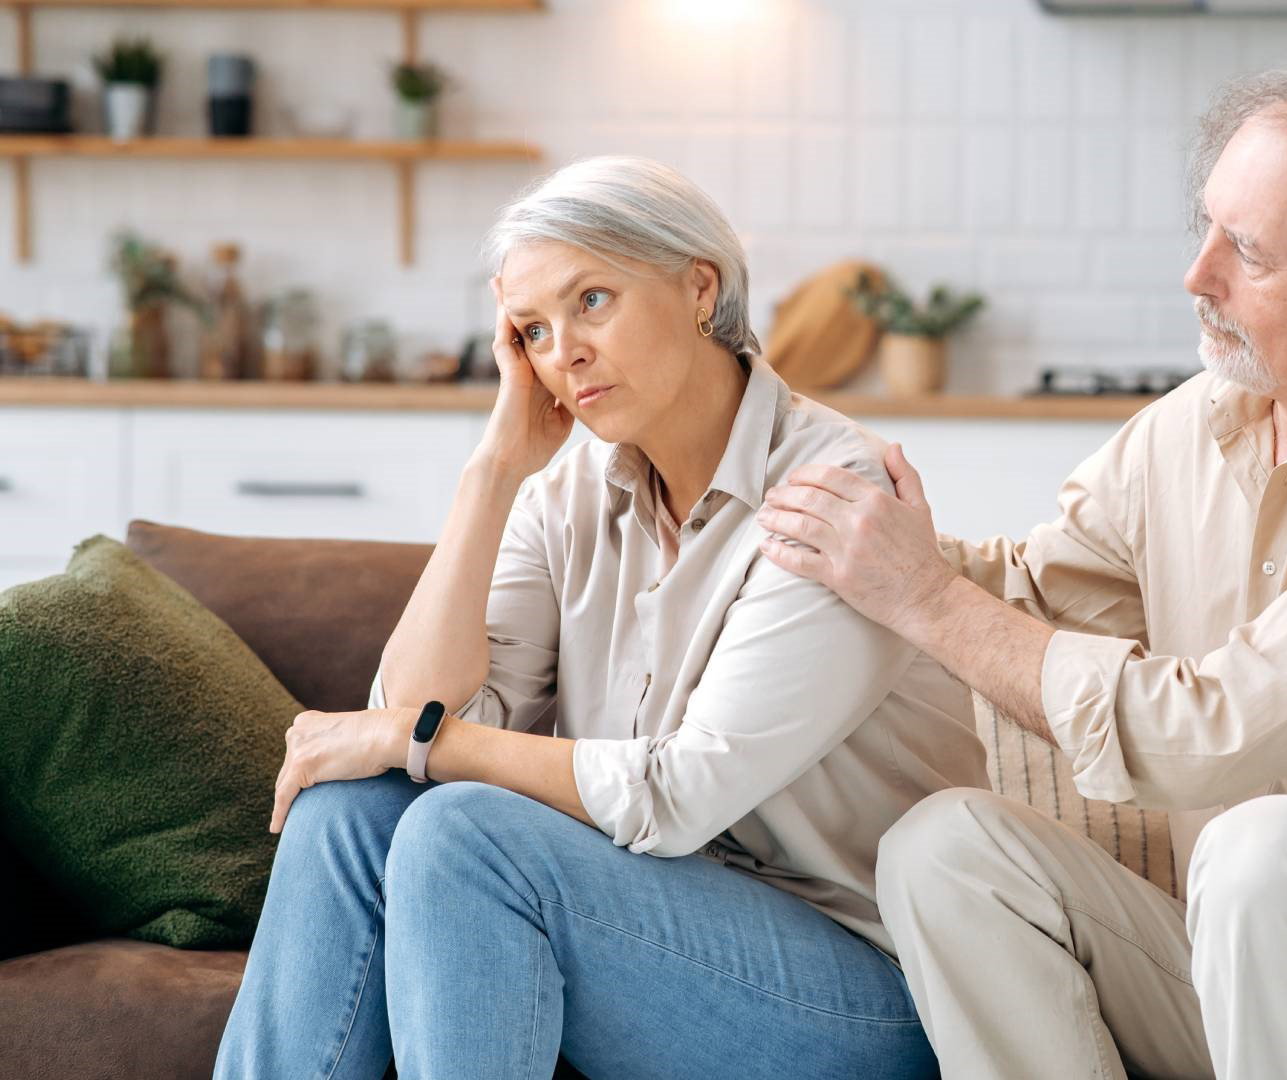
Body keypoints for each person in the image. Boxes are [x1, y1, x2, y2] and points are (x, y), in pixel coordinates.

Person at [755, 67, 1287, 1080]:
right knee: (947, 850)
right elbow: (1038, 596)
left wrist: (920, 596)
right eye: (1205, 227)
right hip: (1260, 964)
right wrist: (829, 532)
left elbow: (1204, 736)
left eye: (1246, 251)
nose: (1197, 274)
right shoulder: (1197, 422)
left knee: (1270, 852)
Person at [214, 156, 985, 1080]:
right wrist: (493, 470)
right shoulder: (568, 489)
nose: (563, 353)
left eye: (592, 301)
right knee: (355, 808)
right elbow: (422, 711)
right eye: (533, 331)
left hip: (865, 994)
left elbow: (674, 792)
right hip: (650, 918)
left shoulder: (835, 494)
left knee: (460, 832)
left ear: (700, 287)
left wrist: (417, 742)